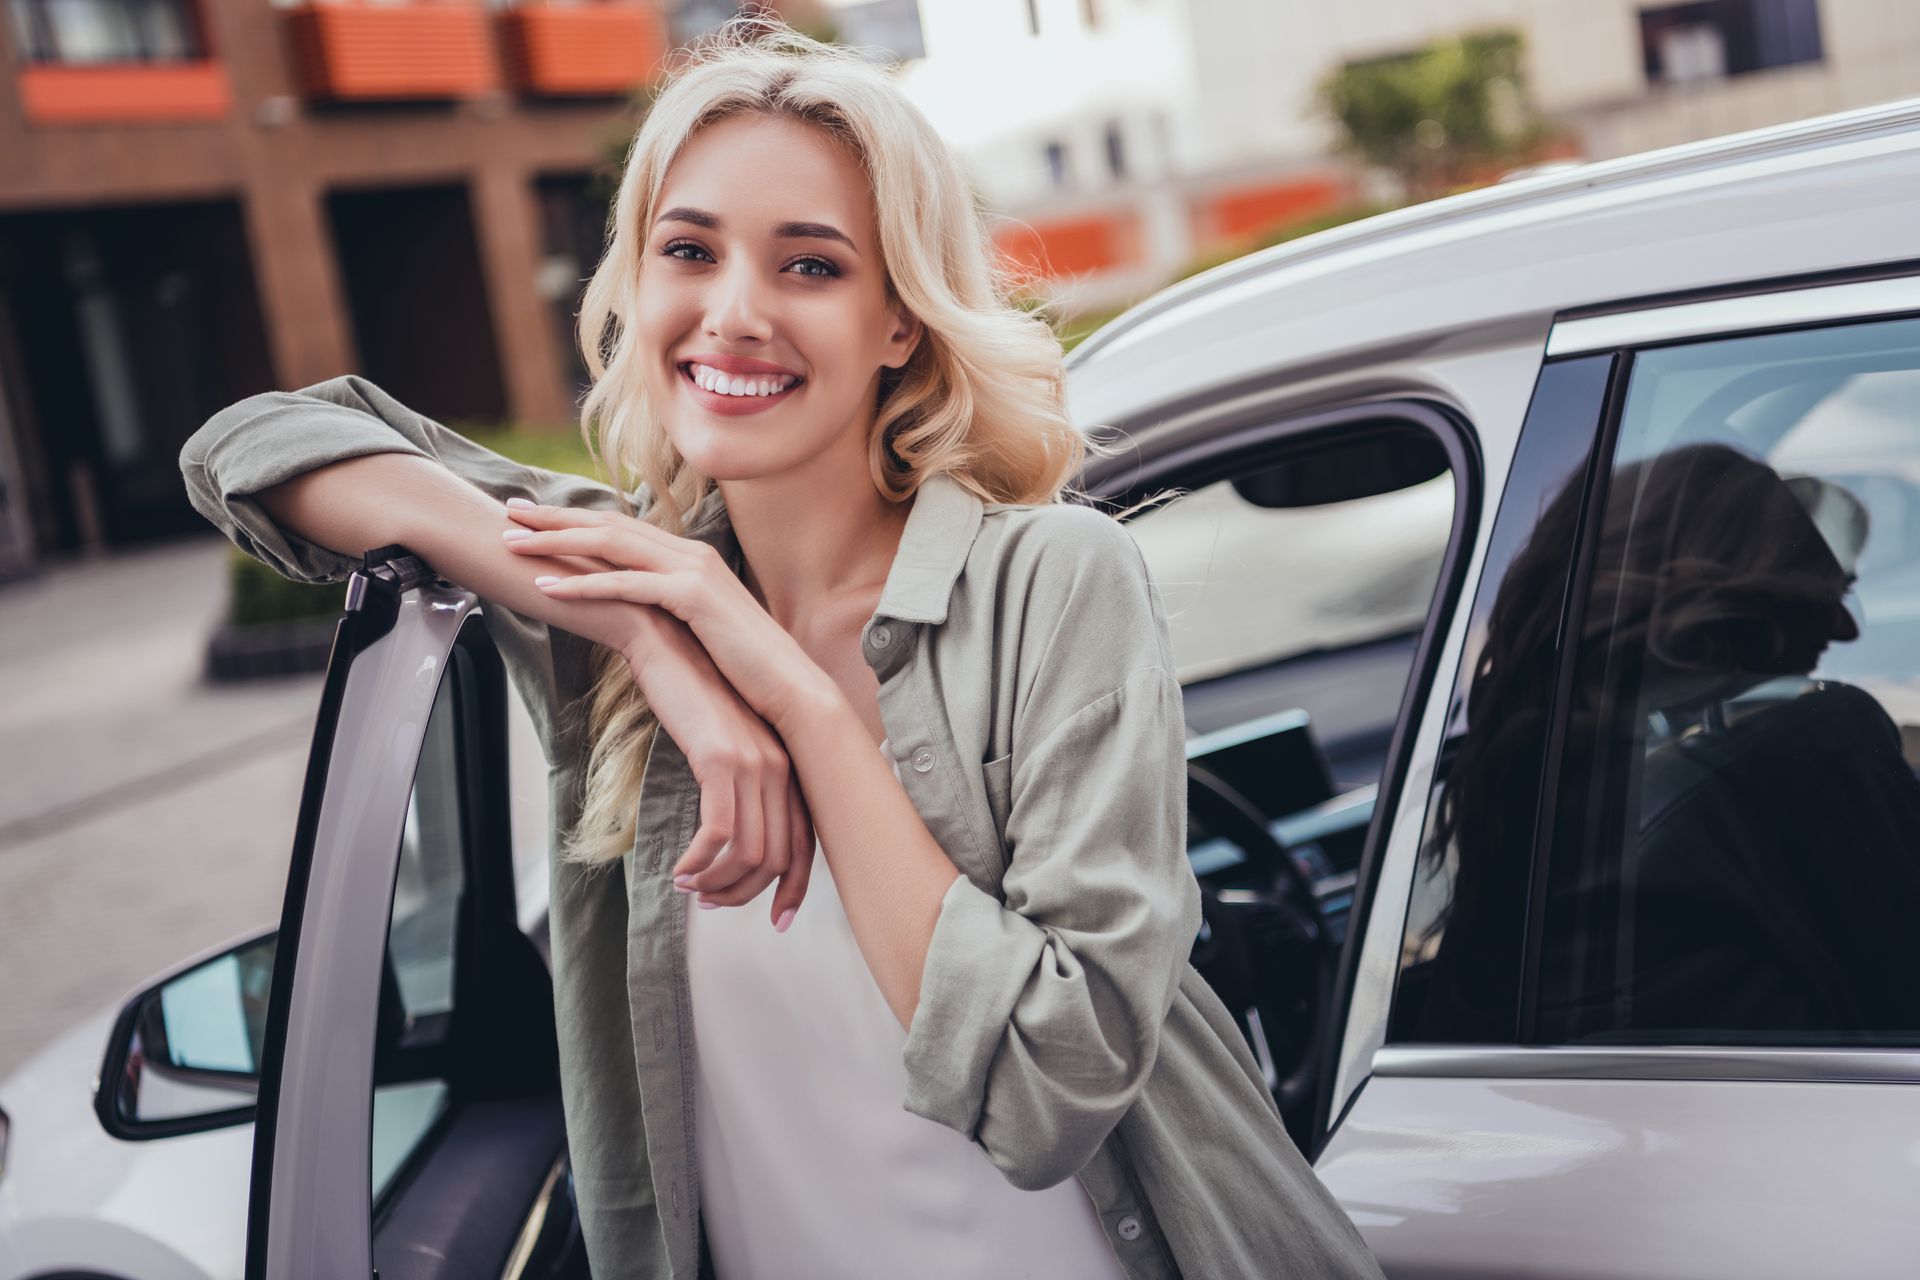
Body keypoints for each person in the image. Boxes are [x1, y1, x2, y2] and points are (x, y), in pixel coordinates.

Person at [179, 19, 1383, 1280]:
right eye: (687, 250)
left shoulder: (1052, 581)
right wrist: (662, 638)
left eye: (809, 266)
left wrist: (801, 707)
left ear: (902, 320)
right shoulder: (630, 590)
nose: (733, 313)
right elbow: (256, 445)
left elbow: (1047, 1084)